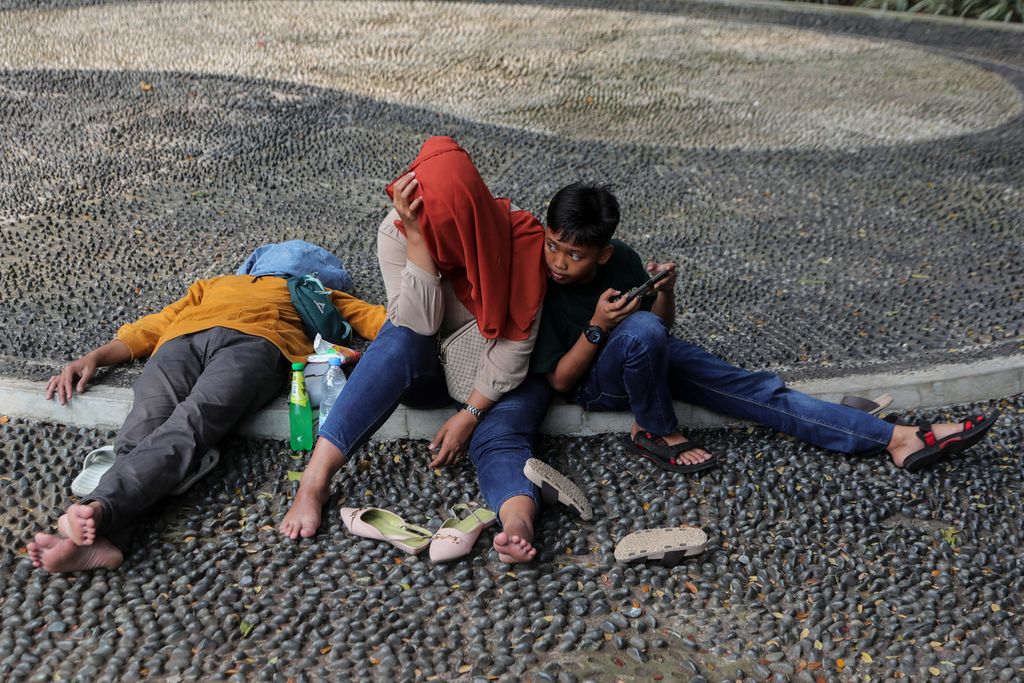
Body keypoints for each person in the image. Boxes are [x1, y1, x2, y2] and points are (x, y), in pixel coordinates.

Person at [529, 183, 1000, 472]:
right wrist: (595, 327)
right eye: (554, 246)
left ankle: (897, 440)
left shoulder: (624, 259)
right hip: (598, 386)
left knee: (759, 389)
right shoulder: (540, 280)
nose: (559, 262)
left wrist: (667, 292)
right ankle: (652, 429)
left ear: (604, 254)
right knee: (641, 334)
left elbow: (660, 326)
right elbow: (562, 383)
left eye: (575, 255)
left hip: (648, 358)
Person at [280, 137, 557, 563]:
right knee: (396, 338)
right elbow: (417, 322)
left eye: (448, 232)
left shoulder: (520, 236)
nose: (449, 243)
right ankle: (314, 481)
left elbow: (514, 350)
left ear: (473, 217)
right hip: (427, 366)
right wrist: (417, 239)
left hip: (497, 380)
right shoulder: (398, 230)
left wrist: (471, 414)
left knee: (500, 438)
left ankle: (517, 526)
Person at [28, 242, 386, 573]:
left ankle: (99, 511)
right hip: (179, 342)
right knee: (141, 427)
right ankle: (108, 540)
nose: (285, 261)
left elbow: (376, 320)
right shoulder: (213, 285)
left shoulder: (317, 291)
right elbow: (154, 325)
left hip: (257, 343)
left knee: (191, 422)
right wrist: (95, 357)